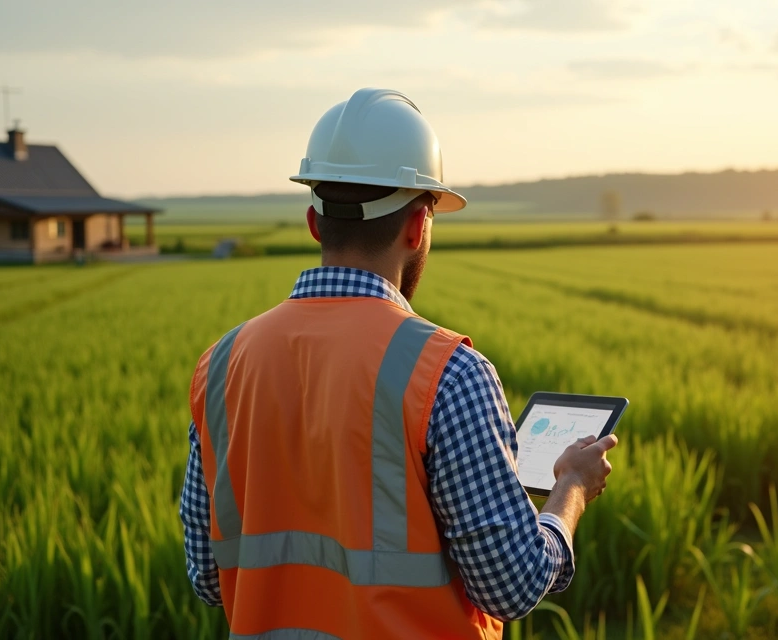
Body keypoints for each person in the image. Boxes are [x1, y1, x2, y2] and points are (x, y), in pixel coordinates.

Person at [179, 88, 618, 639]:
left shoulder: (220, 367)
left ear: (315, 223)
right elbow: (512, 584)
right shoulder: (448, 372)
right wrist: (570, 488)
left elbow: (208, 577)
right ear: (417, 227)